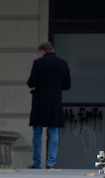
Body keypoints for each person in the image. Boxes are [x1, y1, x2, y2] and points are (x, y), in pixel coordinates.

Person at [27, 41, 71, 169]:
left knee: (37, 131)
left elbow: (31, 83)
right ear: (53, 49)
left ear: (42, 51)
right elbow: (67, 85)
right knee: (53, 130)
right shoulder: (63, 63)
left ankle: (37, 162)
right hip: (55, 100)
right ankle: (51, 163)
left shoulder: (38, 63)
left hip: (40, 100)